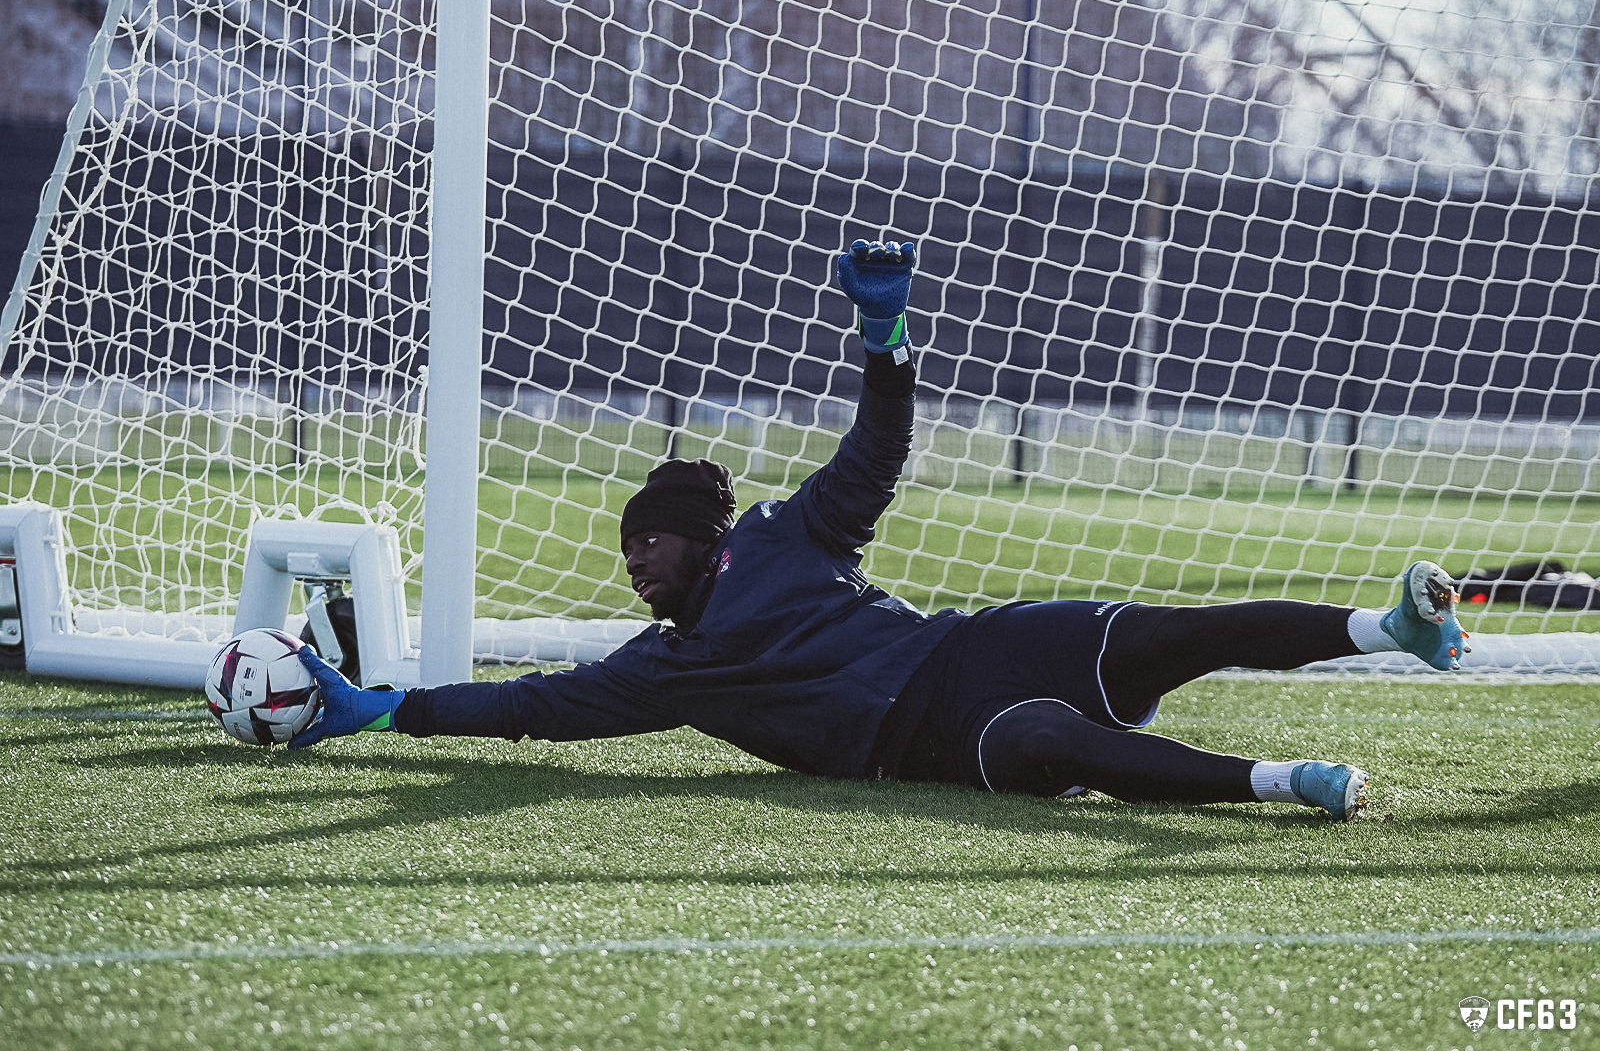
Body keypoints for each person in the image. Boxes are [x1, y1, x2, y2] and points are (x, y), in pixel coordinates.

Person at [288, 238, 1471, 821]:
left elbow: (876, 453)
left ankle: (1386, 626)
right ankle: (1284, 784)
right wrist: (379, 707)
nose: (631, 560)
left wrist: (886, 335)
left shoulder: (786, 537)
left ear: (703, 539)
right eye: (626, 549)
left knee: (1164, 632)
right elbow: (529, 709)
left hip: (973, 645)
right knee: (1058, 738)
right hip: (936, 739)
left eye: (645, 539)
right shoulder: (668, 671)